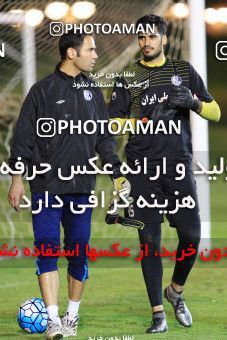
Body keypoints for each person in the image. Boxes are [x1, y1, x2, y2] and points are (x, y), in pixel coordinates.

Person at [8, 30, 129, 339]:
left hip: (81, 188)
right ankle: (52, 321)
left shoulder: (93, 92)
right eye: (90, 49)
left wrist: (117, 175)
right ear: (71, 54)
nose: (95, 54)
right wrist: (17, 179)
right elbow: (23, 139)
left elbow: (104, 140)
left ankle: (71, 317)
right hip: (46, 187)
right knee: (47, 250)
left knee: (78, 253)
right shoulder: (42, 91)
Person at [109, 14, 221, 334]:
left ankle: (175, 292)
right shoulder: (128, 76)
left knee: (191, 236)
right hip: (142, 170)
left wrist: (195, 102)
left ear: (163, 38)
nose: (145, 43)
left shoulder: (183, 71)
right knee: (149, 241)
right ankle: (158, 314)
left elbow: (215, 112)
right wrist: (139, 122)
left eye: (150, 37)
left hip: (177, 166)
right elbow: (112, 123)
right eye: (140, 37)